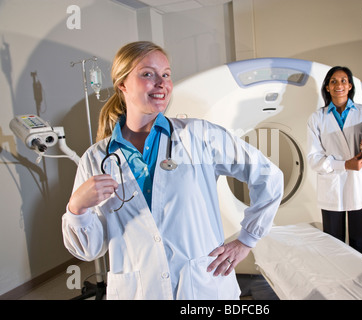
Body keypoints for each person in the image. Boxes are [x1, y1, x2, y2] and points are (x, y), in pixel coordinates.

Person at [62, 41, 283, 300]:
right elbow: (90, 250)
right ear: (122, 84)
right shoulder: (97, 158)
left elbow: (268, 175)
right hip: (138, 292)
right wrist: (77, 208)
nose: (162, 83)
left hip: (202, 288)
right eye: (147, 74)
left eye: (166, 74)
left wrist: (246, 240)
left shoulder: (200, 135)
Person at [306, 66, 362, 260]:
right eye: (333, 81)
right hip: (332, 186)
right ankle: (335, 285)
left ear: (350, 86)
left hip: (360, 183)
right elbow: (313, 159)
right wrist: (344, 165)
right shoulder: (317, 118)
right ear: (327, 87)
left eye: (343, 81)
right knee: (333, 245)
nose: (339, 85)